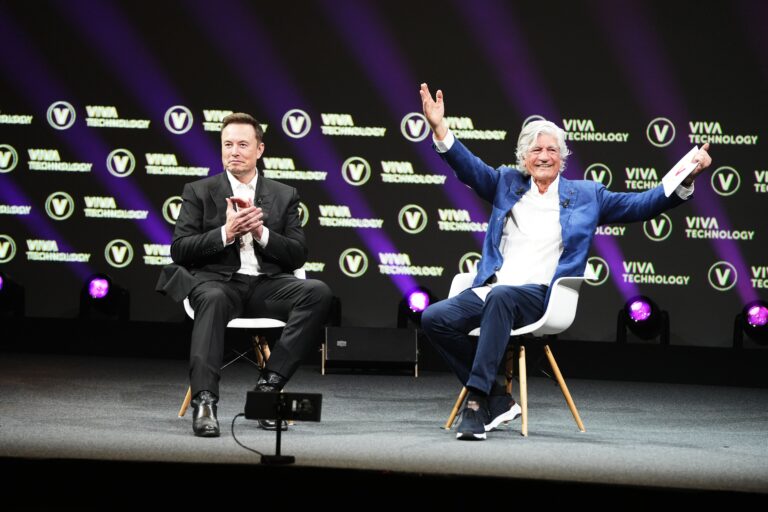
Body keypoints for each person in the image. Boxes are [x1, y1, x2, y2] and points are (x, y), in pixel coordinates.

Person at [417, 83, 712, 441]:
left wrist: (686, 177)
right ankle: (498, 395)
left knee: (502, 298)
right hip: (492, 290)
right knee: (434, 318)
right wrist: (440, 128)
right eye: (536, 149)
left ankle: (477, 404)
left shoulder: (587, 195)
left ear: (562, 157)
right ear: (524, 157)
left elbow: (641, 204)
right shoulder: (505, 182)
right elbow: (468, 168)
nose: (544, 156)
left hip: (539, 295)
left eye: (552, 150)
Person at [156, 112, 333, 437]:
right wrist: (226, 232)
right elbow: (180, 250)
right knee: (211, 298)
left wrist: (261, 232)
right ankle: (205, 402)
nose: (234, 151)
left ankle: (269, 388)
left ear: (259, 149)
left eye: (242, 144)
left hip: (267, 286)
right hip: (218, 284)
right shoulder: (199, 191)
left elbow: (297, 254)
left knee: (318, 292)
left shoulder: (284, 195)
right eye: (227, 145)